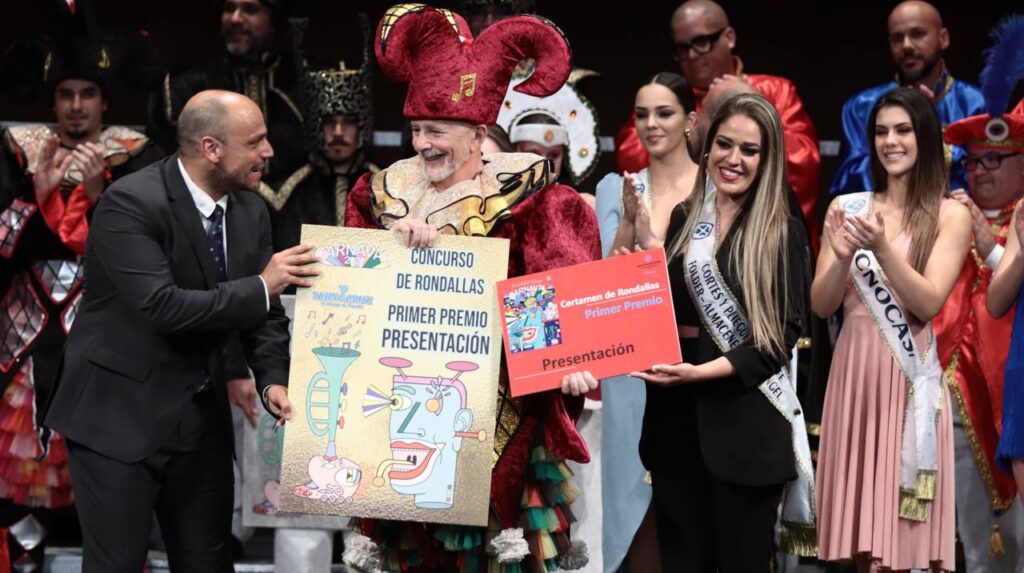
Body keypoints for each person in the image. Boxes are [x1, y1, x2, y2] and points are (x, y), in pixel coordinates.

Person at [342, 5, 600, 572]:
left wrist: (573, 356)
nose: (423, 144)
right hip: (399, 408)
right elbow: (348, 290)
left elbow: (557, 286)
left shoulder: (533, 200)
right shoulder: (381, 196)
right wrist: (391, 248)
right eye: (416, 129)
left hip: (499, 411)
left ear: (481, 133)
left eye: (437, 131)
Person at [43, 90, 312, 572]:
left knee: (208, 562)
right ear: (211, 148)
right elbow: (163, 308)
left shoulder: (249, 210)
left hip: (199, 420)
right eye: (255, 142)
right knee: (116, 564)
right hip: (116, 417)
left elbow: (264, 313)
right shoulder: (130, 202)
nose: (268, 152)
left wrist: (272, 378)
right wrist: (260, 285)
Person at [0, 3, 164, 566]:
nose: (75, 106)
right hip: (26, 337)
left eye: (86, 95)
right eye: (66, 94)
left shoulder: (139, 158)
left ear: (105, 101)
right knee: (21, 479)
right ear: (52, 101)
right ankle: (23, 555)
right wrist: (33, 199)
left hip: (106, 336)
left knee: (107, 474)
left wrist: (100, 199)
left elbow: (146, 252)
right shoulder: (17, 151)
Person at [628, 93, 814, 571]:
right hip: (675, 423)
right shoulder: (686, 218)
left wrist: (700, 374)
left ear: (767, 158)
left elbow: (777, 340)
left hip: (744, 427)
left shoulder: (782, 231)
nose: (733, 159)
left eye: (749, 150)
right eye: (724, 145)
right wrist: (639, 259)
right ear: (706, 148)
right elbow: (667, 305)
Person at [813, 87, 972, 572]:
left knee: (902, 548)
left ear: (925, 136)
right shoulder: (847, 207)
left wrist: (882, 248)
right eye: (881, 131)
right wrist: (841, 258)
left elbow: (927, 302)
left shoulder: (951, 214)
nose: (891, 141)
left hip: (907, 388)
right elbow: (821, 306)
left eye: (902, 130)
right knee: (864, 544)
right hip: (855, 380)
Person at [592, 71, 698, 573]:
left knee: (692, 517)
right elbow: (604, 289)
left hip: (696, 365)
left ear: (690, 120)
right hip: (628, 370)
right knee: (630, 512)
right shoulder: (615, 187)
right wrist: (631, 227)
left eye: (664, 113)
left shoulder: (718, 186)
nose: (651, 124)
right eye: (642, 114)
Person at [614, 0, 820, 249]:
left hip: (759, 236)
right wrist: (695, 133)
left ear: (729, 37)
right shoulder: (670, 99)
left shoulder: (774, 90)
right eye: (682, 48)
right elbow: (631, 154)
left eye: (701, 43)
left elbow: (804, 163)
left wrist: (749, 103)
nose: (691, 56)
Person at [934, 22, 1024, 569]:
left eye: (997, 159)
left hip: (1013, 401)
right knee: (973, 543)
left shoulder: (1020, 223)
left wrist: (993, 248)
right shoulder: (947, 221)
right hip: (958, 406)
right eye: (973, 161)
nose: (981, 170)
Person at [830, 1, 985, 197]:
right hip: (883, 222)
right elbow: (848, 183)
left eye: (917, 34)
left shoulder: (977, 104)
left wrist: (931, 131)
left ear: (943, 38)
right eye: (897, 38)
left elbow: (991, 180)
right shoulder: (861, 106)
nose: (907, 45)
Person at [149, 0, 306, 192]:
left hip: (300, 208)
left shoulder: (303, 83)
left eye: (250, 10)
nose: (235, 19)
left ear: (274, 19)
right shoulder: (188, 87)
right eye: (229, 9)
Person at [497, 73, 601, 207]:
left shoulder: (579, 206)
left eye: (553, 156)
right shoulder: (493, 208)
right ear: (512, 152)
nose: (545, 164)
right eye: (533, 154)